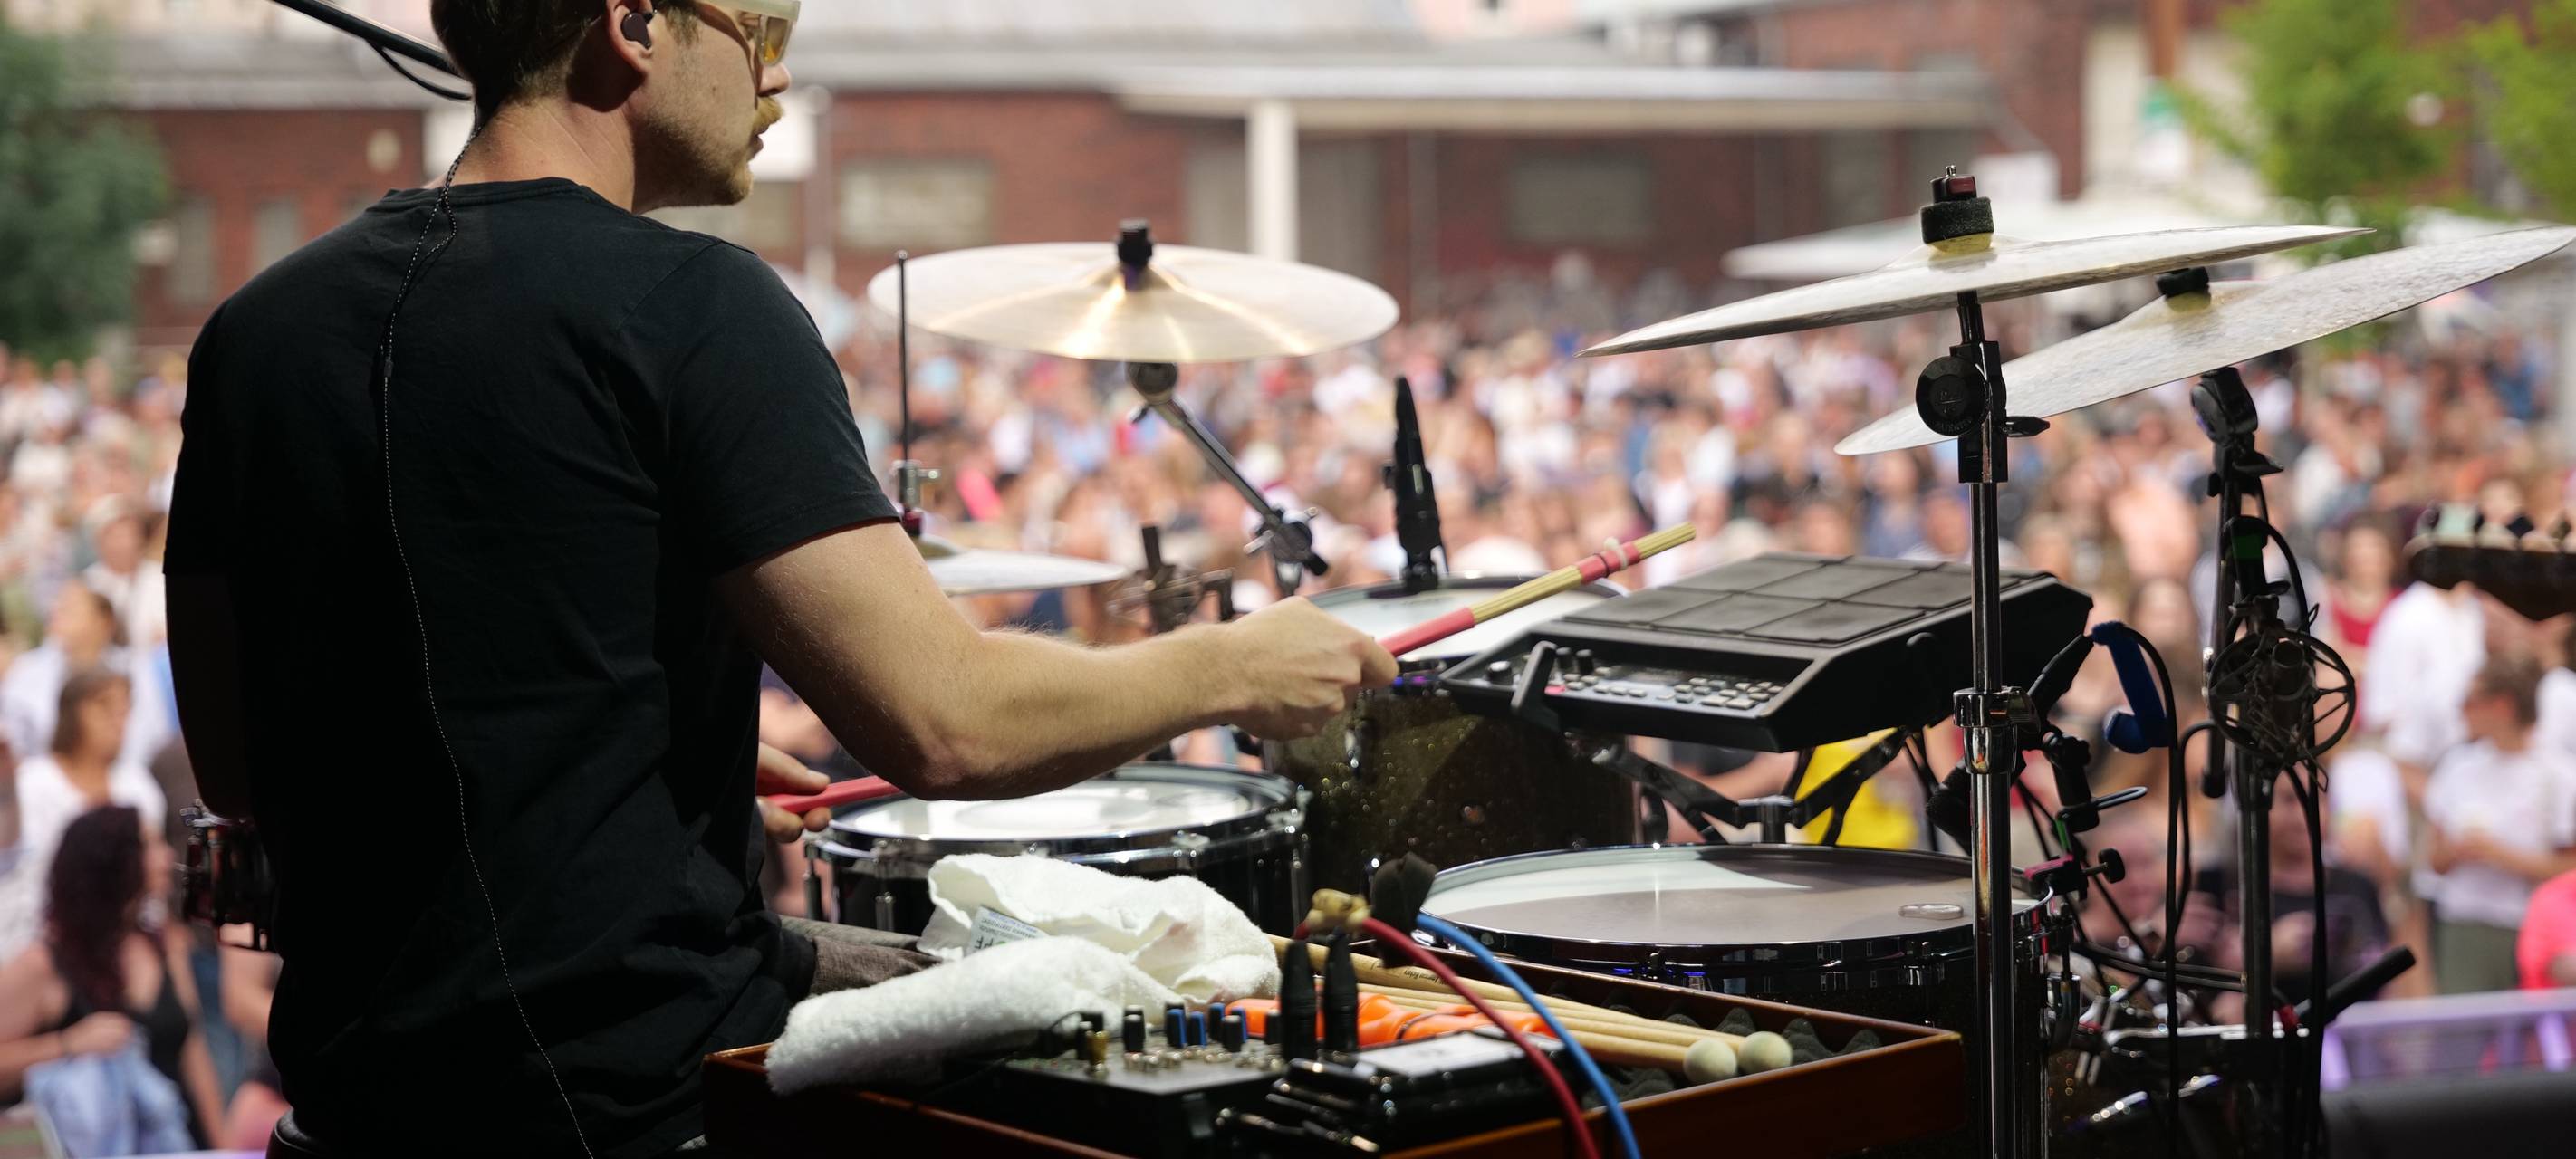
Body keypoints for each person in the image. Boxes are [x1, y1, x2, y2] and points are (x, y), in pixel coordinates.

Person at [160, 4, 1396, 1157]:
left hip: (358, 1113)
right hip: (647, 1106)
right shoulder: (695, 302)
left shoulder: (254, 332)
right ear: (633, 20)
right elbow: (949, 724)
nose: (781, 73)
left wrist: (586, 747)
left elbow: (241, 767)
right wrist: (1227, 665)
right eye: (763, 28)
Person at [0, 806, 224, 1145]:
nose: (167, 857)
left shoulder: (164, 944)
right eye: (150, 845)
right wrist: (66, 1044)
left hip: (176, 1142)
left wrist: (224, 1145)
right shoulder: (44, 964)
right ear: (111, 863)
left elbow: (194, 1053)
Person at [2420, 656, 2576, 993]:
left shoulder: (2559, 776)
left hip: (2532, 929)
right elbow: (2434, 860)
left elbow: (2568, 869)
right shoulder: (2457, 766)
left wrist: (2498, 854)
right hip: (2464, 922)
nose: (2462, 710)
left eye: (2471, 700)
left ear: (2502, 706)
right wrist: (2458, 851)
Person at [0, 669, 160, 959]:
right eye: (104, 707)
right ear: (71, 712)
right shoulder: (32, 783)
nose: (117, 720)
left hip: (121, 952)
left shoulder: (138, 787)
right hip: (40, 945)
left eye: (124, 709)